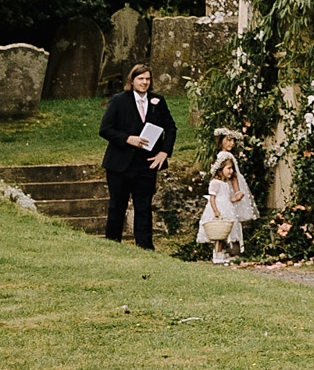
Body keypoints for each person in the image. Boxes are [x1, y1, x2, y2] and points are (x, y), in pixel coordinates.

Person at [96, 64, 176, 249]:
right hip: (119, 164)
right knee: (117, 206)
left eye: (147, 79)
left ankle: (145, 247)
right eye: (140, 79)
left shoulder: (158, 101)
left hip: (146, 164)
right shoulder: (119, 100)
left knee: (144, 207)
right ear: (132, 81)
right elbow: (105, 129)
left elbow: (171, 128)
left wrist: (163, 153)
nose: (145, 82)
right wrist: (127, 139)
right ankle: (112, 245)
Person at [195, 128, 259, 263]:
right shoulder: (223, 157)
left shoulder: (229, 157)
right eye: (228, 140)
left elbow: (234, 175)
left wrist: (236, 192)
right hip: (222, 198)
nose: (231, 143)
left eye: (233, 141)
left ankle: (225, 250)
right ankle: (220, 252)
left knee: (228, 224)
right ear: (221, 142)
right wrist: (236, 190)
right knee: (222, 225)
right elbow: (233, 176)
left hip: (226, 194)